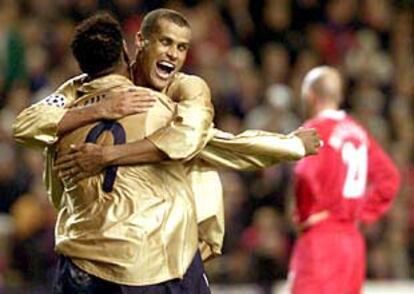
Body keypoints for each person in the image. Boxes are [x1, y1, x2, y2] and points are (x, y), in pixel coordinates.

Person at [14, 8, 321, 263]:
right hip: (108, 236)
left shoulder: (188, 89)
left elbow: (199, 143)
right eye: (165, 42)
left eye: (182, 47)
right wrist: (100, 109)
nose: (173, 54)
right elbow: (27, 123)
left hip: (176, 237)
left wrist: (290, 145)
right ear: (140, 41)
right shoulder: (89, 86)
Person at [288, 66, 400, 294]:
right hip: (352, 243)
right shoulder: (358, 131)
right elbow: (389, 178)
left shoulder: (315, 130)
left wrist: (305, 215)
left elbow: (304, 173)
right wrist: (360, 213)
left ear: (310, 96)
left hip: (321, 240)